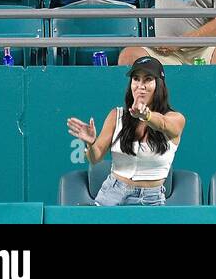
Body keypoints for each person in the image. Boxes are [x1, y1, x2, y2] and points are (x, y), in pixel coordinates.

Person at [65, 56, 186, 207]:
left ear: (159, 85)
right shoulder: (116, 115)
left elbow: (163, 124)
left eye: (147, 79)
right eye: (136, 79)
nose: (140, 85)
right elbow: (94, 158)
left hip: (151, 200)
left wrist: (146, 115)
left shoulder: (175, 118)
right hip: (112, 193)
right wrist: (90, 144)